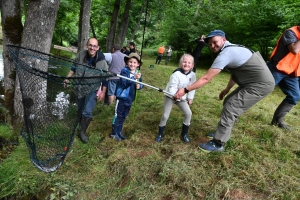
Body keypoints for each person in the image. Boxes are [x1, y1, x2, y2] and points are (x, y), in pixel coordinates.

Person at [175, 30, 275, 152]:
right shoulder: (232, 49)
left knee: (231, 106)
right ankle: (223, 130)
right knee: (228, 100)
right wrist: (227, 89)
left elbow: (206, 78)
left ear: (223, 39)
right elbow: (235, 72)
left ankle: (218, 143)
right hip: (251, 82)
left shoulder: (227, 53)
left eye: (215, 42)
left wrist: (185, 90)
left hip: (260, 85)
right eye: (210, 44)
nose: (212, 46)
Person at [64, 38, 109, 143]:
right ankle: (80, 125)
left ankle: (82, 132)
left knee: (87, 111)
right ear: (87, 45)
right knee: (80, 108)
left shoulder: (102, 61)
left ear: (98, 48)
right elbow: (73, 67)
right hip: (79, 87)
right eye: (90, 45)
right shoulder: (81, 54)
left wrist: (103, 92)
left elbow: (105, 78)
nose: (92, 48)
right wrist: (67, 78)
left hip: (92, 89)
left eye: (94, 46)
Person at [155, 54, 196, 143]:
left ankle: (184, 134)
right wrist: (175, 95)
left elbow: (192, 87)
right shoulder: (176, 74)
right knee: (165, 115)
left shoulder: (193, 75)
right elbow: (172, 87)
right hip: (170, 96)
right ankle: (160, 134)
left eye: (189, 63)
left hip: (182, 98)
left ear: (192, 65)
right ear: (181, 63)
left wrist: (190, 98)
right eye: (184, 62)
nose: (186, 64)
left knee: (188, 113)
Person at [267, 25, 300, 130]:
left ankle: (277, 121)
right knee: (260, 90)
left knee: (294, 96)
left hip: (291, 72)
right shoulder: (291, 32)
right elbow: (294, 50)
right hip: (277, 68)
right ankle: (233, 112)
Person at [111, 53, 143, 141]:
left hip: (130, 98)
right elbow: (124, 83)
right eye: (130, 62)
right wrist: (133, 79)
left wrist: (139, 86)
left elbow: (141, 84)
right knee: (118, 115)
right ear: (127, 62)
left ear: (138, 64)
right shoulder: (124, 71)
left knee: (124, 115)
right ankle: (114, 133)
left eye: (134, 62)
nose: (132, 64)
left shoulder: (138, 73)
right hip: (122, 97)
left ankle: (119, 131)